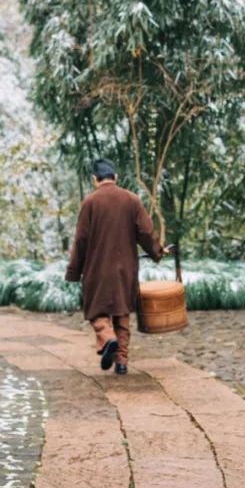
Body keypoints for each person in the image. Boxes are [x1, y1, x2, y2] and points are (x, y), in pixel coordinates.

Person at [65, 158, 165, 375]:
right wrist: (157, 251)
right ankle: (121, 362)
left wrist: (74, 271)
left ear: (95, 179)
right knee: (122, 314)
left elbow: (81, 239)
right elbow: (146, 232)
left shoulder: (90, 203)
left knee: (96, 311)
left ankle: (107, 338)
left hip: (97, 268)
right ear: (115, 177)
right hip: (125, 268)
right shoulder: (132, 200)